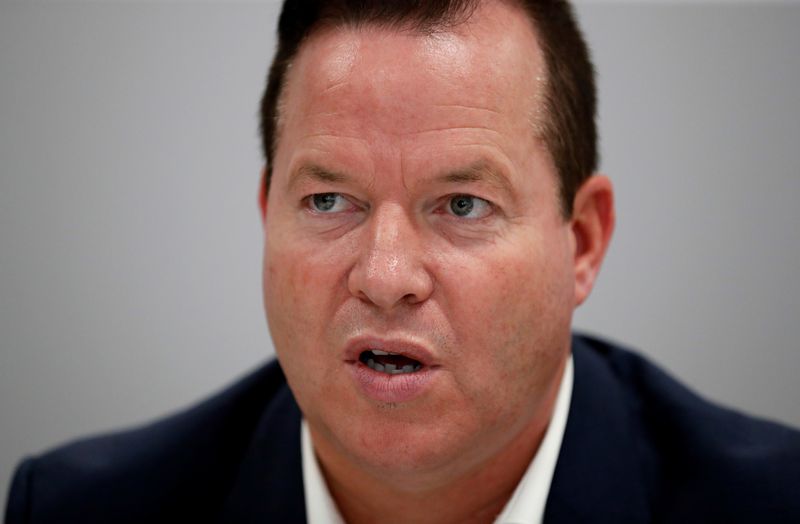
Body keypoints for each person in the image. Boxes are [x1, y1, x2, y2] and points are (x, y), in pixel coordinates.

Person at [5, 0, 800, 522]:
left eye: (461, 206)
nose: (385, 277)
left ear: (582, 240)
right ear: (266, 215)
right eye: (328, 202)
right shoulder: (82, 510)